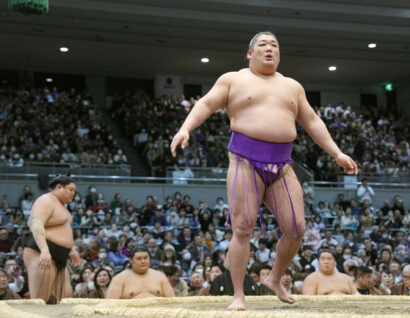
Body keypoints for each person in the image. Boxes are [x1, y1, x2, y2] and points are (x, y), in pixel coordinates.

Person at [171, 31, 357, 310]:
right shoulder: (233, 79)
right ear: (249, 53)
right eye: (262, 45)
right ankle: (238, 294)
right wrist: (185, 128)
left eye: (274, 45)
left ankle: (275, 278)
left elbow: (312, 121)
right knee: (243, 229)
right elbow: (207, 103)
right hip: (245, 160)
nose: (269, 49)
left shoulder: (293, 86)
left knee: (296, 228)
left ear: (279, 55)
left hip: (283, 165)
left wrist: (337, 152)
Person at [23, 175, 81, 303]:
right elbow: (36, 224)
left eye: (74, 191)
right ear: (59, 187)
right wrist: (44, 250)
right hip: (41, 251)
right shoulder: (46, 200)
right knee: (40, 300)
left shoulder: (62, 206)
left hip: (59, 256)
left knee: (66, 296)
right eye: (71, 190)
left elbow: (63, 229)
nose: (73, 193)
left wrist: (71, 250)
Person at [106, 245, 175, 298]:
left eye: (145, 258)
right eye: (139, 259)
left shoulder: (160, 277)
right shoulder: (119, 279)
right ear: (131, 260)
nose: (143, 261)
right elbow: (110, 305)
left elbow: (172, 302)